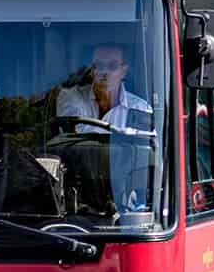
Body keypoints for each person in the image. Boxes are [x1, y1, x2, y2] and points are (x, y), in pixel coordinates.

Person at [55, 42, 157, 216]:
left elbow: (146, 159)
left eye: (112, 66)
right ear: (91, 70)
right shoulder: (71, 97)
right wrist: (121, 140)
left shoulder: (141, 109)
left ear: (123, 71)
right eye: (98, 66)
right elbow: (78, 137)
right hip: (76, 198)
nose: (105, 72)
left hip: (125, 202)